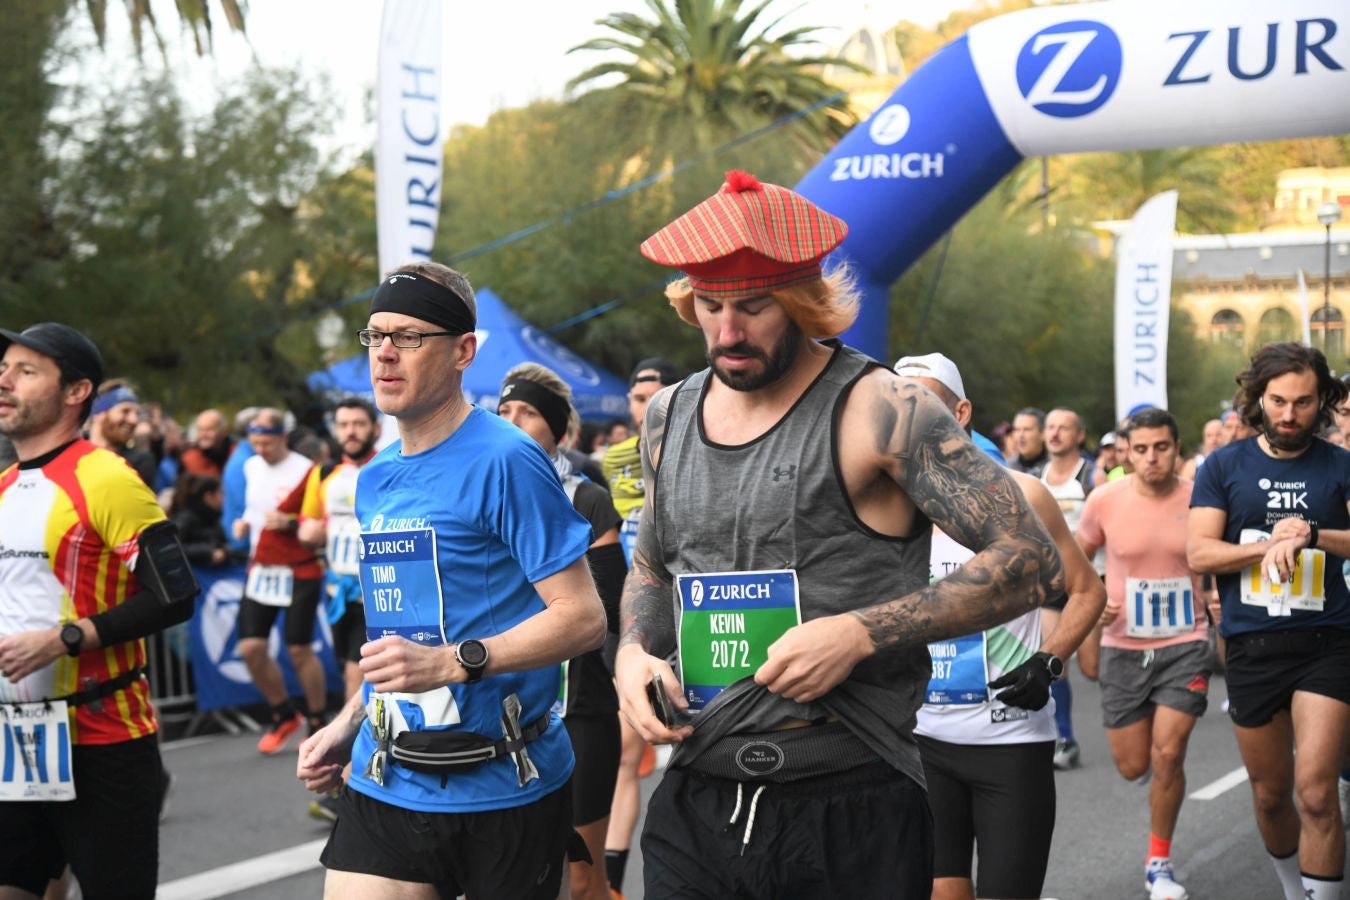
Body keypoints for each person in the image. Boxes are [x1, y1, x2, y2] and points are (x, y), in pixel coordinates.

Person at [614, 171, 1064, 899]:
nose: (727, 332)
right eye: (708, 304)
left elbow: (1033, 563)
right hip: (699, 795)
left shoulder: (883, 408)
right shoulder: (666, 414)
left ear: (801, 301)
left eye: (754, 307)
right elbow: (655, 567)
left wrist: (861, 633)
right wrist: (632, 653)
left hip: (850, 796)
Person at [295, 262, 606, 900]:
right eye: (375, 335)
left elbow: (582, 618)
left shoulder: (508, 460)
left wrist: (454, 664)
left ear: (464, 350)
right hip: (390, 772)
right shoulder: (376, 477)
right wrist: (349, 721)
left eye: (409, 336)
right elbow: (404, 634)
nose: (384, 352)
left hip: (505, 780)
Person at [896, 353, 1105, 900]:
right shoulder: (881, 509)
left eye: (927, 405)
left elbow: (1088, 590)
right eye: (899, 407)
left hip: (1009, 740)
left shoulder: (1022, 495)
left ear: (961, 412)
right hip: (921, 742)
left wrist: (1050, 661)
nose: (911, 420)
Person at [0, 323, 196, 899]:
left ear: (76, 391)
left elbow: (176, 594)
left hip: (103, 738)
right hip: (18, 738)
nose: (4, 380)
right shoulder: (5, 484)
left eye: (25, 371)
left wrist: (65, 638)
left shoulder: (106, 477)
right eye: (3, 369)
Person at [1188, 342, 1350, 900]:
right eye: (1278, 401)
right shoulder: (1224, 465)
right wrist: (1264, 549)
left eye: (1304, 403)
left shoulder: (1340, 466)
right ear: (1258, 397)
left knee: (1315, 791)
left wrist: (1311, 535)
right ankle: (1291, 889)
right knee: (1272, 796)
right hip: (1252, 646)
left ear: (1322, 401)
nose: (1288, 415)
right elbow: (1200, 554)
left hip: (1327, 643)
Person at [498, 362, 629, 900]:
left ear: (557, 428)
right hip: (503, 709)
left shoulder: (586, 501)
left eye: (527, 413)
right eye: (504, 412)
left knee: (581, 877)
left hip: (580, 708)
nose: (512, 421)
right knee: (521, 874)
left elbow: (610, 615)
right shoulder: (485, 495)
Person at [1077, 407, 1211, 900]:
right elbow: (1076, 558)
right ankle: (1160, 775)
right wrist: (1096, 596)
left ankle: (1159, 862)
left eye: (1162, 447)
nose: (1152, 458)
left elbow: (1220, 552)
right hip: (1124, 647)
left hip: (1186, 642)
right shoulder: (1104, 500)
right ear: (1125, 452)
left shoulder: (1202, 498)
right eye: (1141, 449)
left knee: (1169, 753)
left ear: (1177, 448)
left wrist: (1216, 592)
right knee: (1135, 766)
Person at [601, 355, 681, 899]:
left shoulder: (696, 449)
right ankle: (610, 882)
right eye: (636, 395)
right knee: (627, 752)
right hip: (635, 620)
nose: (644, 405)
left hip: (695, 619)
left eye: (655, 393)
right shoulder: (611, 461)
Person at [297, 397, 382, 822]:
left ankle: (349, 783)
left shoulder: (385, 465)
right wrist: (310, 532)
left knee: (357, 676)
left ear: (373, 427)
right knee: (351, 676)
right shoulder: (324, 474)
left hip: (375, 591)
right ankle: (359, 774)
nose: (350, 431)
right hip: (338, 593)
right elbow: (309, 527)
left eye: (358, 424)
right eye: (343, 424)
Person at [233, 408, 326, 754]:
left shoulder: (305, 469)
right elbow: (253, 508)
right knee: (250, 648)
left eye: (267, 444)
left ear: (282, 438)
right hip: (262, 566)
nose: (261, 451)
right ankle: (283, 712)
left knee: (298, 648)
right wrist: (244, 523)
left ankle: (317, 719)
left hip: (299, 566)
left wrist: (288, 521)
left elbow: (316, 517)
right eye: (255, 443)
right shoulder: (251, 467)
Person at [87, 379, 157, 487]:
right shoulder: (70, 454)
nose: (134, 420)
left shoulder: (139, 462)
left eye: (137, 413)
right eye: (125, 411)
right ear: (99, 414)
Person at [170, 473, 231, 568]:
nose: (223, 499)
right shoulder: (185, 518)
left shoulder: (213, 517)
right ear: (208, 496)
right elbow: (175, 546)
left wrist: (224, 551)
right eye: (220, 494)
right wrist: (209, 552)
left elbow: (223, 542)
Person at [180, 408, 233, 479]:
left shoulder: (235, 454)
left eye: (209, 429)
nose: (204, 435)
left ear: (224, 431)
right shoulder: (188, 460)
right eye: (200, 430)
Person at [1008, 407, 1049, 474]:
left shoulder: (1054, 467)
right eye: (1017, 430)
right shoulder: (1007, 467)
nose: (1020, 435)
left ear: (1043, 434)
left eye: (1027, 429)